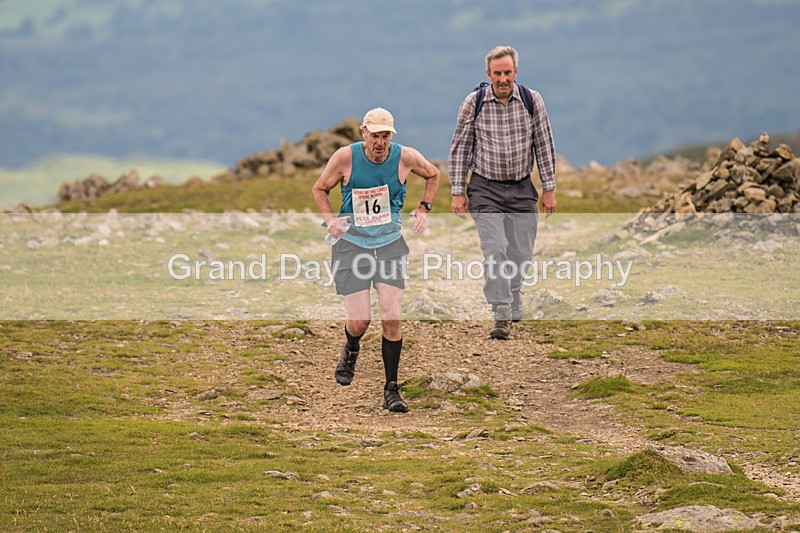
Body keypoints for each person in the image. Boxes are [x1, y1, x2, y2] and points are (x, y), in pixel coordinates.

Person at [312, 107, 440, 413]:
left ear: (391, 136)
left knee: (392, 317)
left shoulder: (406, 157)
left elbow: (433, 174)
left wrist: (424, 207)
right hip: (352, 246)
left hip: (390, 245)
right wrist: (330, 220)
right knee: (360, 321)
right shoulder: (345, 157)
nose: (379, 142)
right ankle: (351, 347)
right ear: (363, 133)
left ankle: (392, 389)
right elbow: (319, 188)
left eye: (385, 136)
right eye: (374, 136)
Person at [448, 45, 557, 340]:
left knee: (521, 253)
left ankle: (514, 290)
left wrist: (549, 188)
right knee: (495, 248)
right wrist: (458, 191)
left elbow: (544, 144)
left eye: (507, 72)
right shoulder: (474, 103)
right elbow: (460, 147)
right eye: (497, 73)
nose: (502, 78)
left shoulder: (532, 101)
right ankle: (501, 311)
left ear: (516, 72)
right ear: (488, 74)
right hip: (485, 187)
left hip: (522, 187)